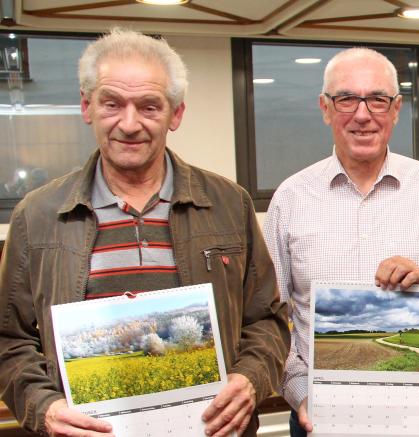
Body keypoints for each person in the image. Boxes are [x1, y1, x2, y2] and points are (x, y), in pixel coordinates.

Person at [0, 28, 289, 437]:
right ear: (87, 106)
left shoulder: (228, 203)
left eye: (149, 106)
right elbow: (9, 340)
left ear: (176, 114)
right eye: (112, 103)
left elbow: (267, 321)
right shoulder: (39, 215)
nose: (130, 124)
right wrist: (43, 408)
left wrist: (250, 381)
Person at [264, 47, 419, 437]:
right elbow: (270, 316)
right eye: (347, 99)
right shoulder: (291, 198)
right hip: (319, 410)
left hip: (418, 407)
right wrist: (300, 392)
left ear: (396, 108)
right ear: (325, 108)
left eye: (377, 99)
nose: (363, 114)